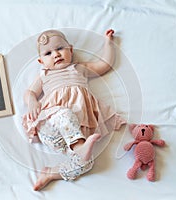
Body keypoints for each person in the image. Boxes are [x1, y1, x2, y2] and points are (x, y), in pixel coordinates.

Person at [22, 29, 126, 191]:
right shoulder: (44, 75)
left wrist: (108, 43)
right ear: (41, 61)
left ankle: (50, 173)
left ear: (71, 50)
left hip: (70, 138)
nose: (56, 55)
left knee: (87, 163)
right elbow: (29, 92)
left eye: (60, 49)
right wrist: (32, 102)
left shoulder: (79, 68)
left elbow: (105, 64)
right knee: (63, 113)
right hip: (50, 127)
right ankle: (80, 148)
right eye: (48, 53)